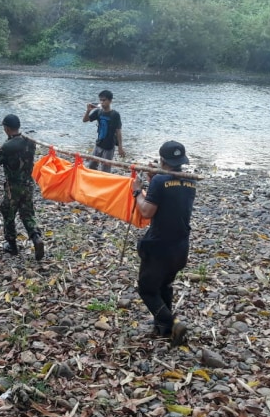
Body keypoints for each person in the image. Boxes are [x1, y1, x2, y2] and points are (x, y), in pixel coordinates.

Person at [131, 140, 196, 346]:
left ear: (162, 160)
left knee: (147, 289)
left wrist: (136, 192)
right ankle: (163, 328)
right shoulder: (190, 181)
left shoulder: (160, 182)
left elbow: (146, 211)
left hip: (159, 246)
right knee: (165, 284)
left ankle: (172, 322)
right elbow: (172, 196)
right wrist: (154, 178)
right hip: (180, 246)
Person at [0, 114, 44, 261]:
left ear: (7, 129)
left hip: (13, 187)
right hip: (28, 184)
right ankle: (36, 238)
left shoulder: (7, 146)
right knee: (27, 213)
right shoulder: (30, 142)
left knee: (7, 212)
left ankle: (12, 245)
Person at [83, 89, 125, 173]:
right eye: (100, 100)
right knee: (91, 165)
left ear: (110, 101)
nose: (102, 102)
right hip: (98, 144)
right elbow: (85, 120)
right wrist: (88, 111)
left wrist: (120, 147)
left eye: (104, 100)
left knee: (105, 169)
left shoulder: (115, 115)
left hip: (109, 146)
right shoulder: (99, 112)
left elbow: (118, 131)